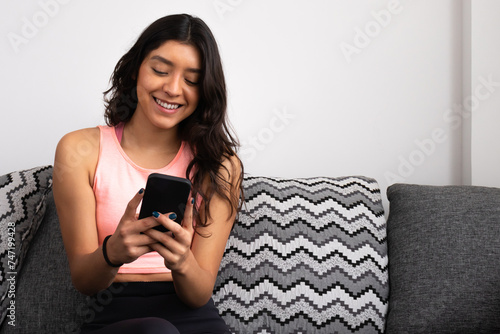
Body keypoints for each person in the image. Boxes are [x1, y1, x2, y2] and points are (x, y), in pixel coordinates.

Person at [53, 14, 243, 334]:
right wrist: (113, 252)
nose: (172, 89)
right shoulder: (79, 150)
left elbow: (199, 294)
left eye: (192, 80)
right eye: (160, 70)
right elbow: (84, 281)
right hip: (115, 314)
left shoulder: (220, 165)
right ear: (134, 70)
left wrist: (182, 261)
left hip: (193, 316)